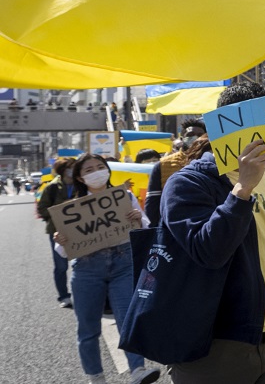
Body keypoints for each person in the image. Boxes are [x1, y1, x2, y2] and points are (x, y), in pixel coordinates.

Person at [161, 82, 265, 383]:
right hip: (217, 344)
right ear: (233, 122)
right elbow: (209, 251)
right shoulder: (188, 184)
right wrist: (242, 189)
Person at [54, 154, 160, 384]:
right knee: (88, 328)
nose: (96, 172)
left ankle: (138, 370)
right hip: (86, 269)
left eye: (100, 167)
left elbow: (146, 227)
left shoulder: (125, 196)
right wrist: (61, 240)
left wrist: (137, 218)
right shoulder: (71, 209)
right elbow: (62, 252)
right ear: (81, 178)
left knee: (127, 320)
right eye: (89, 170)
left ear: (108, 170)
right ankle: (96, 377)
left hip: (123, 264)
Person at [36, 157, 77, 308]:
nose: (73, 169)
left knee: (81, 264)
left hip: (80, 230)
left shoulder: (81, 185)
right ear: (63, 169)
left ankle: (81, 293)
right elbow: (42, 209)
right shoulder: (51, 187)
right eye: (70, 167)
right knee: (61, 266)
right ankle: (64, 296)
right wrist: (62, 208)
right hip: (57, 232)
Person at [145, 136, 212, 228]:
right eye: (190, 134)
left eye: (200, 134)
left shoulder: (218, 170)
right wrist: (153, 230)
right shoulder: (163, 166)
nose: (196, 137)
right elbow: (152, 203)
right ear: (183, 136)